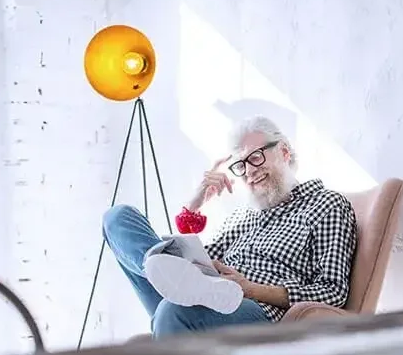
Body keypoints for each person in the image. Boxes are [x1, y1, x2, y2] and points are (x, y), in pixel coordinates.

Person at [101, 116, 358, 338]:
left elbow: (333, 292)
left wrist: (252, 289)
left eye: (255, 157)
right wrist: (194, 206)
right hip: (207, 295)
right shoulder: (243, 215)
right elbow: (196, 262)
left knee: (172, 311)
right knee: (117, 217)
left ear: (284, 152)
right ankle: (184, 287)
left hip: (259, 310)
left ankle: (190, 295)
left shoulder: (325, 204)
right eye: (241, 165)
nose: (249, 172)